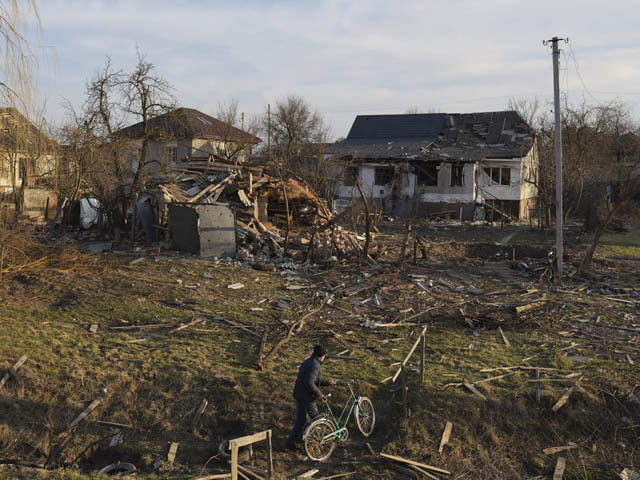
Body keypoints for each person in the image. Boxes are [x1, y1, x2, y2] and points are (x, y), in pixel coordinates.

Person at [286, 345, 336, 450]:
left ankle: (292, 441)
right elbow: (309, 382)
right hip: (306, 397)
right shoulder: (315, 365)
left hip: (299, 394)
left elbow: (313, 380)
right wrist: (320, 394)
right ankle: (313, 440)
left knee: (301, 420)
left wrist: (328, 382)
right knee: (316, 418)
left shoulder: (308, 361)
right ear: (322, 356)